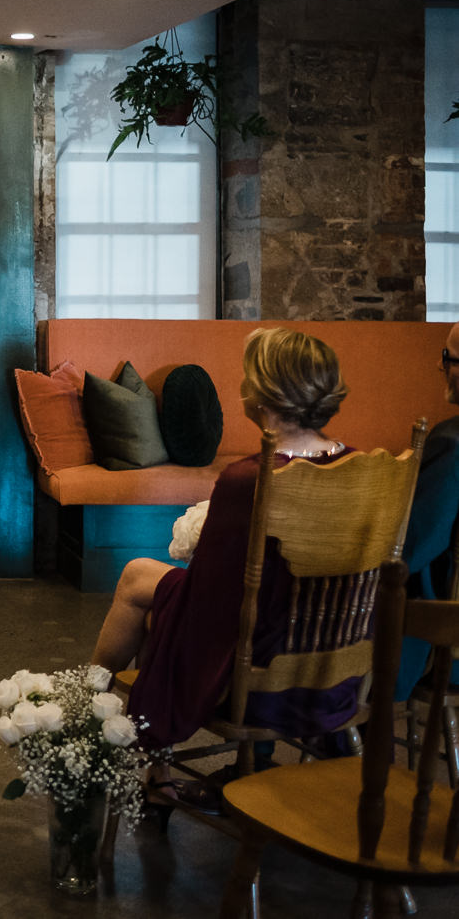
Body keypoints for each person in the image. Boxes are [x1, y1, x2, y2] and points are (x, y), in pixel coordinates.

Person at [89, 328, 354, 796]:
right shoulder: (355, 465)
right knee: (149, 585)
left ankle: (89, 705)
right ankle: (141, 758)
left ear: (264, 393)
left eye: (249, 375)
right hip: (333, 656)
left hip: (260, 662)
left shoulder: (248, 478)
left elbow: (208, 602)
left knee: (142, 586)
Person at [395, 321, 459, 699]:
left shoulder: (451, 444)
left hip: (444, 640)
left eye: (447, 358)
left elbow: (411, 549)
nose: (440, 367)